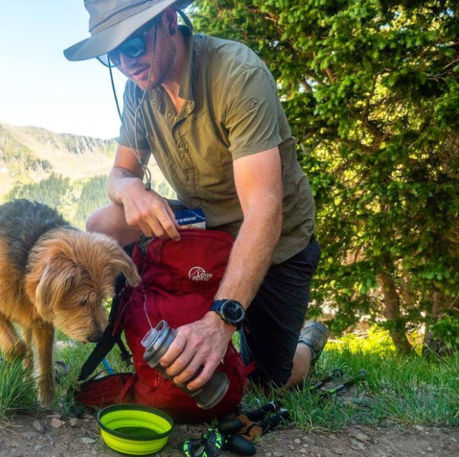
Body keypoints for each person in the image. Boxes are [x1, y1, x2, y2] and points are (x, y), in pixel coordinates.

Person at [64, 0, 329, 392]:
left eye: (133, 45)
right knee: (102, 225)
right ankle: (137, 327)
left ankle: (306, 344)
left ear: (169, 21)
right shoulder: (140, 90)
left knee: (268, 380)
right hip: (203, 227)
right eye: (111, 54)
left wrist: (221, 319)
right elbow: (119, 173)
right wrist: (129, 188)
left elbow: (264, 211)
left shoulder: (236, 73)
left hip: (274, 240)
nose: (125, 63)